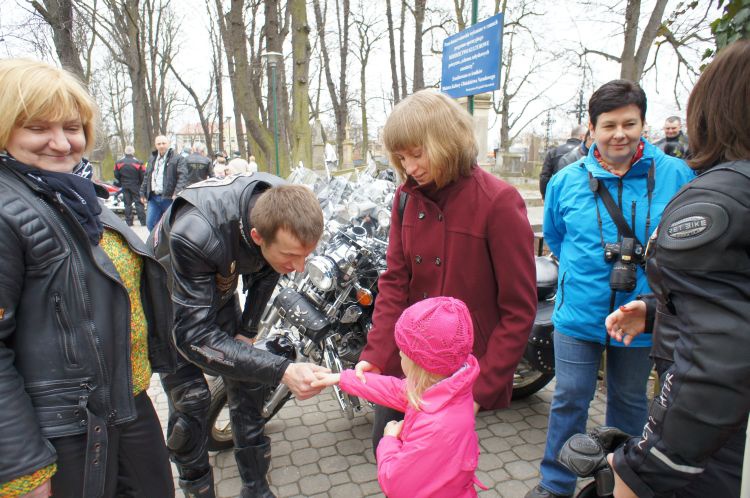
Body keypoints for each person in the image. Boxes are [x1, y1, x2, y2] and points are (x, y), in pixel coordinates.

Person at [0, 59, 174, 497]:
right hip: (61, 431)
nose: (61, 143)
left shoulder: (72, 193)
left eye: (73, 127)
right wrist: (25, 468)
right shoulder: (8, 211)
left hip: (124, 402)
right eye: (39, 128)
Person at [527, 80, 695, 498]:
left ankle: (623, 484)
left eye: (629, 123)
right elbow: (557, 237)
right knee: (569, 400)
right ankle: (556, 483)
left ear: (643, 123)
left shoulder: (676, 175)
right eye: (609, 125)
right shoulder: (566, 180)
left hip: (640, 316)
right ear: (592, 128)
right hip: (579, 313)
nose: (619, 133)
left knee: (630, 402)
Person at [604, 39, 750, 498]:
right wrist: (657, 306)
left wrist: (646, 470)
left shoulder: (717, 199)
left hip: (712, 443)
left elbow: (716, 363)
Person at [356, 89, 537, 456]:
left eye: (417, 154)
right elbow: (394, 282)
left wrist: (480, 390)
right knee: (387, 447)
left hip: (458, 375)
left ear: (446, 141)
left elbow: (518, 309)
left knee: (438, 470)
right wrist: (374, 354)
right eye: (402, 157)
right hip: (403, 362)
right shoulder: (405, 197)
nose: (410, 168)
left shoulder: (498, 202)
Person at [149, 176, 329, 497]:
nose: (300, 268)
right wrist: (282, 369)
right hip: (167, 298)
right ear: (258, 236)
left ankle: (256, 489)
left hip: (218, 281)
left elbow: (267, 273)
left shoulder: (280, 206)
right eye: (292, 256)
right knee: (191, 402)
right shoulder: (197, 234)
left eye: (306, 255)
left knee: (249, 378)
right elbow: (193, 336)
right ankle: (198, 488)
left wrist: (247, 332)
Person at [313, 297, 485, 498]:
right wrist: (342, 378)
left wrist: (389, 440)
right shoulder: (448, 388)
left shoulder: (436, 426)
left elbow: (395, 485)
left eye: (403, 351)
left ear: (419, 363)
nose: (400, 355)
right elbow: (394, 389)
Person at [140, 135, 187, 231]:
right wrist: (142, 193)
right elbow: (146, 177)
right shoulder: (152, 158)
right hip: (153, 198)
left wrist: (177, 192)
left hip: (169, 198)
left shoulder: (178, 158)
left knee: (171, 225)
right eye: (159, 144)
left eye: (163, 143)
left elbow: (183, 177)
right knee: (150, 224)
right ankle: (156, 245)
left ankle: (169, 244)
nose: (161, 146)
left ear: (168, 144)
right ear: (155, 145)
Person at [539, 124, 587, 199]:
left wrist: (545, 196)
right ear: (582, 136)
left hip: (558, 194)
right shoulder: (585, 153)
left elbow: (544, 177)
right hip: (579, 196)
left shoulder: (553, 152)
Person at [114, 145, 147, 226]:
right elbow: (143, 175)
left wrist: (122, 182)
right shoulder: (139, 162)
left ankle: (129, 222)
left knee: (127, 204)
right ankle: (143, 221)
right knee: (138, 203)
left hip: (125, 185)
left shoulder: (118, 163)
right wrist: (140, 183)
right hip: (136, 185)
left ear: (125, 151)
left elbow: (116, 174)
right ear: (133, 152)